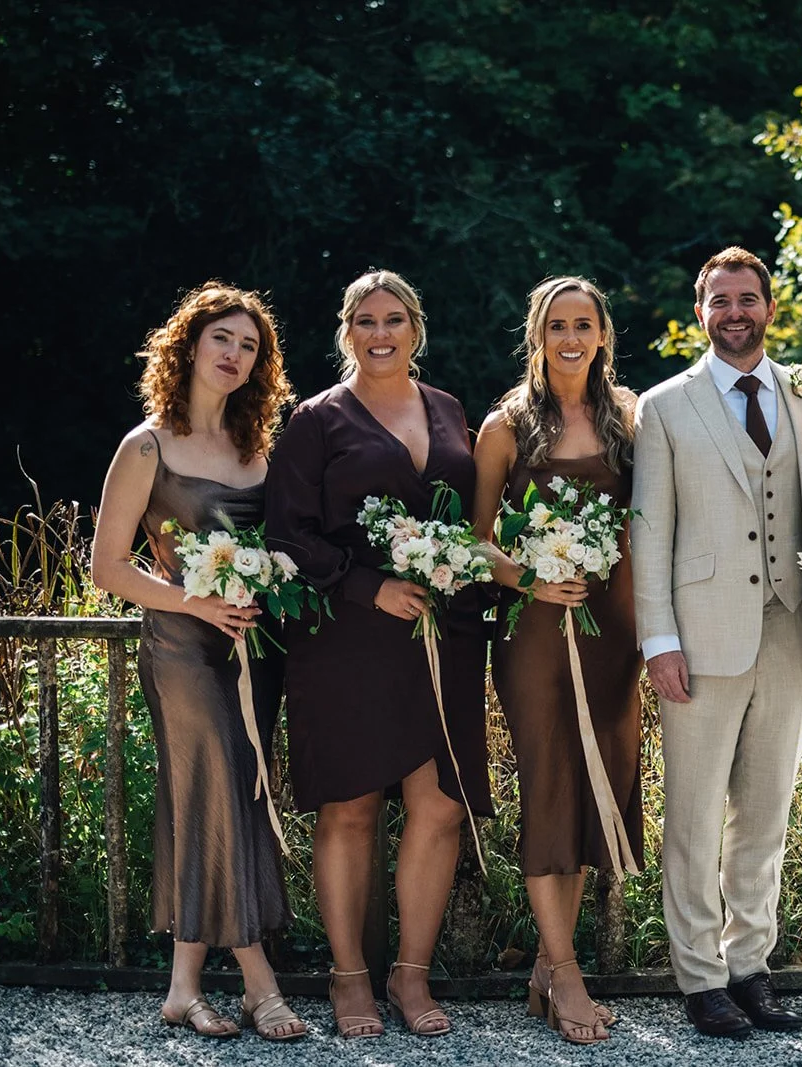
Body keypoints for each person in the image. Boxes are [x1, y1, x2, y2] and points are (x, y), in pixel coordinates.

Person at [265, 270, 491, 1039]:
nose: (381, 331)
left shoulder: (450, 409)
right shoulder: (316, 420)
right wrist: (369, 586)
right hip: (349, 639)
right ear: (346, 330)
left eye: (394, 317)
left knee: (440, 803)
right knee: (352, 804)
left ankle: (410, 974)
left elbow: (471, 515)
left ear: (416, 326)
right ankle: (348, 976)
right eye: (366, 319)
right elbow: (288, 533)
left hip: (444, 637)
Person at [90, 282, 304, 1040]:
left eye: (250, 346)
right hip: (183, 649)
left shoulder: (257, 449)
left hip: (253, 649)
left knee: (221, 797)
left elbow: (280, 542)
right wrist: (196, 603)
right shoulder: (145, 444)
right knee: (225, 792)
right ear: (188, 343)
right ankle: (260, 982)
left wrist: (270, 580)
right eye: (224, 338)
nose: (236, 355)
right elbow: (108, 567)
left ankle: (183, 986)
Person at [630, 247, 802, 1039]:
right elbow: (651, 534)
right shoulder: (665, 405)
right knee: (693, 811)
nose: (735, 312)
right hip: (701, 634)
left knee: (766, 811)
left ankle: (751, 967)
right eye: (721, 300)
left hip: (790, 626)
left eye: (748, 298)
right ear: (700, 310)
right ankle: (700, 977)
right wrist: (659, 639)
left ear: (770, 307)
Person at [473, 276, 641, 1045]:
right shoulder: (506, 426)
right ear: (537, 336)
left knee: (593, 785)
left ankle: (549, 963)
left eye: (584, 324)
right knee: (548, 785)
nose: (570, 338)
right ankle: (567, 973)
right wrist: (530, 575)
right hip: (536, 631)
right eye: (556, 326)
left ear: (603, 333)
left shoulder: (630, 418)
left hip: (611, 630)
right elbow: (479, 541)